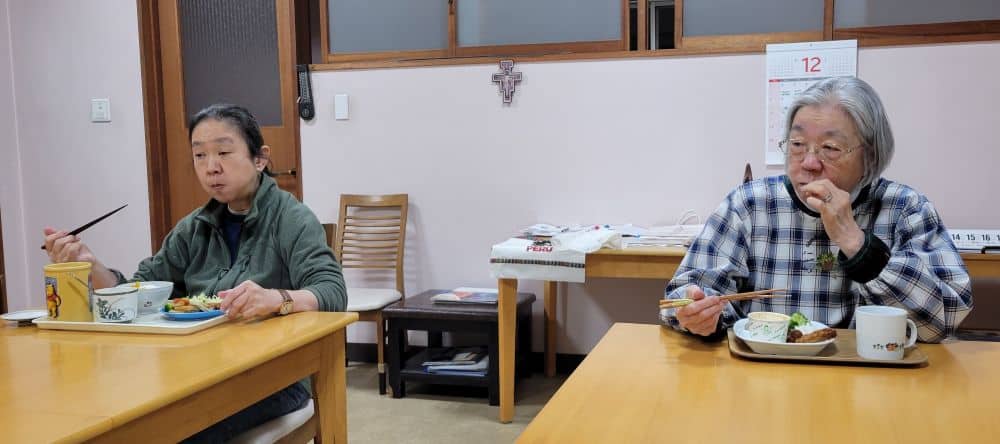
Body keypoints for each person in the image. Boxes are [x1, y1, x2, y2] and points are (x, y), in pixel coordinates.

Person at [43, 103, 347, 442]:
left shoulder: (291, 218)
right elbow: (138, 291)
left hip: (276, 376)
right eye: (200, 156)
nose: (211, 167)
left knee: (178, 430)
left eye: (224, 152)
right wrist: (90, 264)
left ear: (259, 158)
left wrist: (276, 298)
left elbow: (333, 292)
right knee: (113, 416)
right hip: (201, 371)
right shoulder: (193, 228)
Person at [661, 77, 972, 343]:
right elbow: (681, 295)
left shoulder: (905, 208)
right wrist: (699, 314)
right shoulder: (750, 204)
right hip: (763, 378)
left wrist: (855, 241)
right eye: (797, 144)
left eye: (831, 149)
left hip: (868, 381)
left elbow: (945, 319)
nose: (809, 163)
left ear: (871, 155)